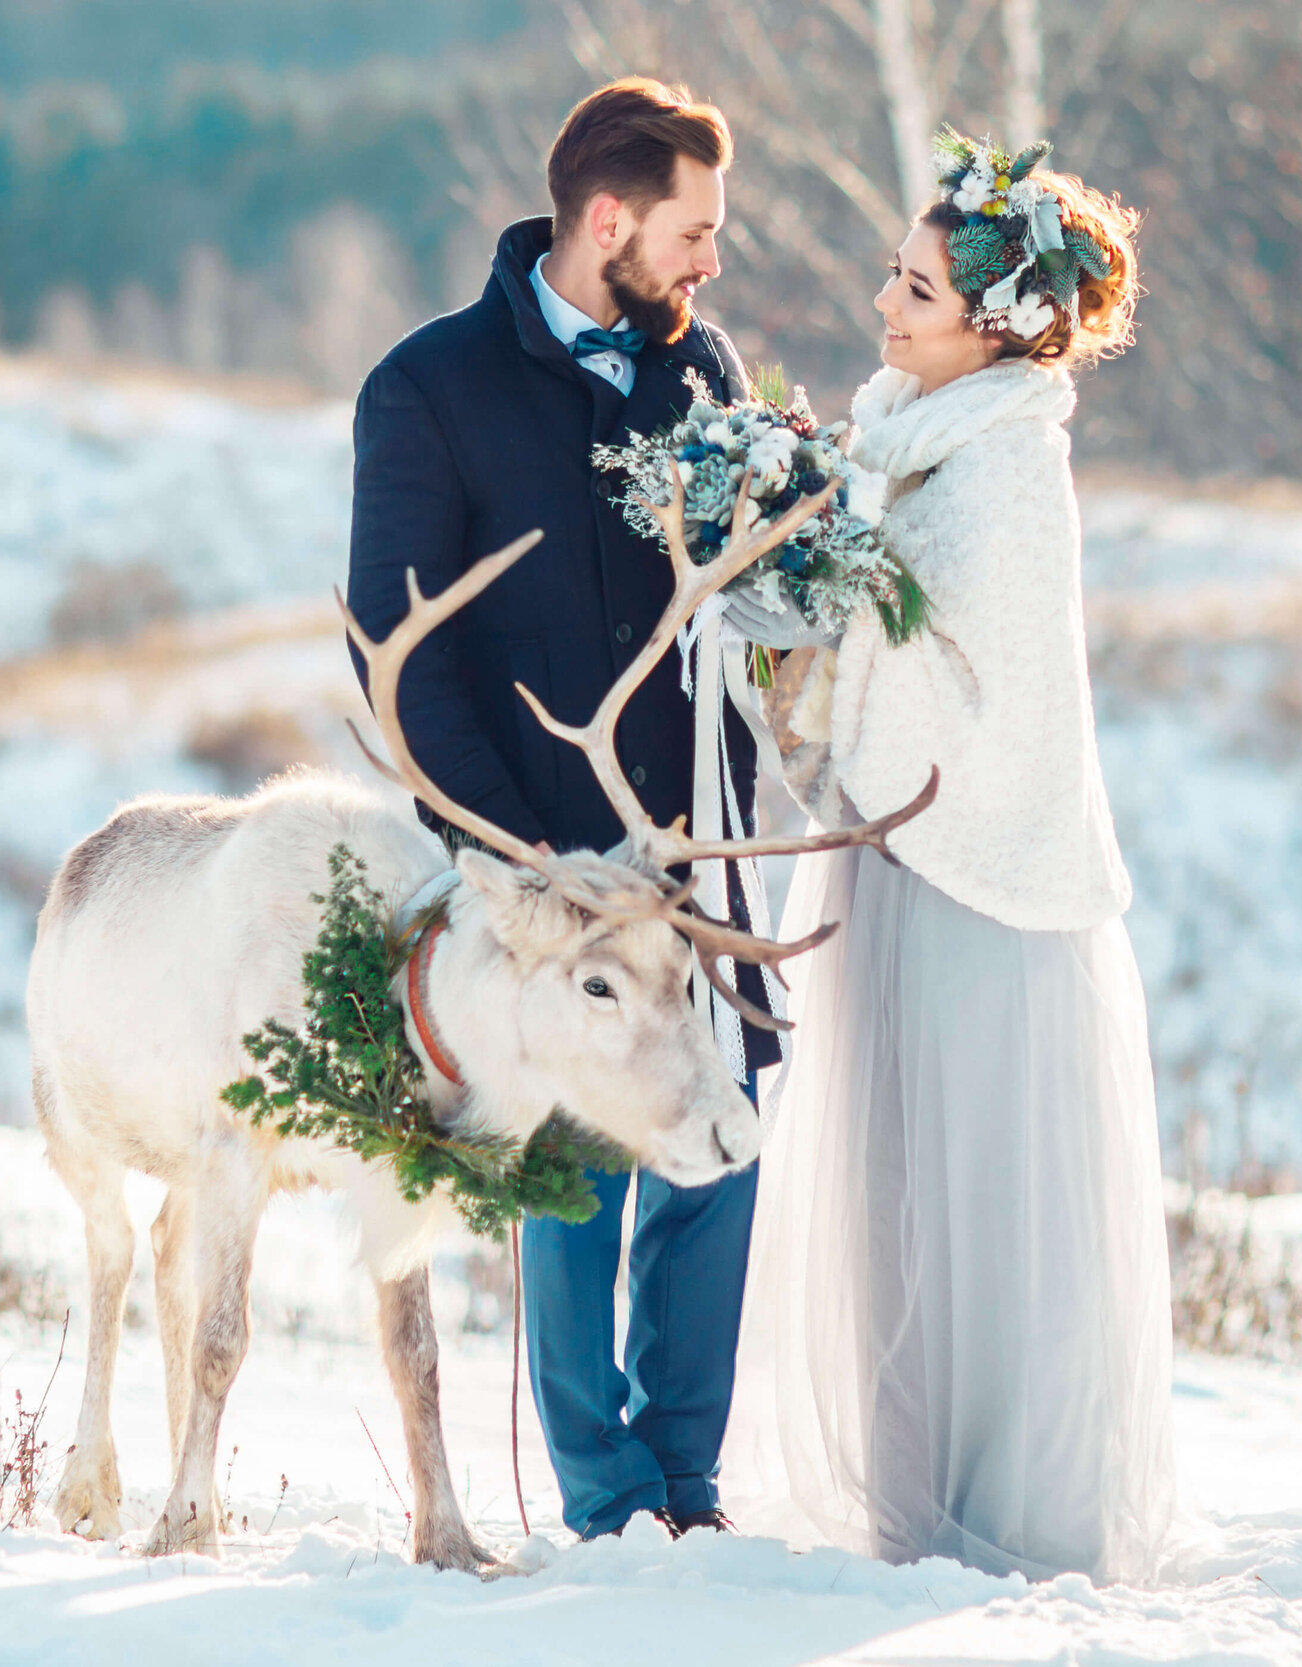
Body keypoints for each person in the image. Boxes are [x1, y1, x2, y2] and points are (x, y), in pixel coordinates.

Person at [723, 133, 1180, 1582]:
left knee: (985, 1206)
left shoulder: (1003, 472)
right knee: (894, 1198)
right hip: (893, 854)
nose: (885, 304)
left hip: (980, 871)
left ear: (1001, 327)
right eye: (894, 275)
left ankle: (1017, 1514)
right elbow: (889, 623)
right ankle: (911, 1496)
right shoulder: (908, 436)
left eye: (916, 288)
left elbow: (985, 689)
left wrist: (832, 612)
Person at [344, 77, 778, 1541]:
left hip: (697, 843)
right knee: (571, 1161)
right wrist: (506, 856)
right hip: (543, 867)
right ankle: (606, 1500)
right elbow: (400, 647)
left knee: (717, 1144)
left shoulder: (702, 367)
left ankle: (688, 1480)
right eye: (695, 229)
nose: (712, 259)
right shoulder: (429, 386)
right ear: (612, 220)